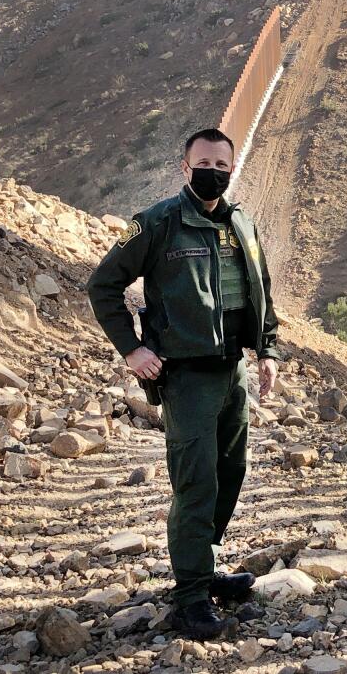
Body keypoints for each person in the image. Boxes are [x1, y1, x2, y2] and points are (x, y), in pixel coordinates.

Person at [88, 128, 284, 640]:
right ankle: (190, 596)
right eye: (204, 162)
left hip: (232, 371)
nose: (213, 171)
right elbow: (103, 284)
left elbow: (259, 289)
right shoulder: (157, 223)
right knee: (195, 482)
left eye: (222, 164)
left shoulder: (240, 221)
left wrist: (268, 349)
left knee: (229, 472)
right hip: (186, 377)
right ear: (185, 167)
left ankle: (203, 563)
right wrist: (133, 349)